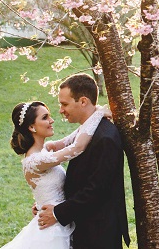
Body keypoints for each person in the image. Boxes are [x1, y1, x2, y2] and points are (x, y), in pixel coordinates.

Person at [37, 73, 130, 249]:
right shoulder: (88, 130)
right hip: (83, 226)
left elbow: (97, 190)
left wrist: (57, 213)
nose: (61, 110)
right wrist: (46, 206)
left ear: (83, 101)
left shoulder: (105, 138)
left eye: (65, 104)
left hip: (98, 233)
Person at [2, 100, 104, 249]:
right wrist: (99, 114)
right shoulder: (37, 160)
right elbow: (78, 146)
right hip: (52, 230)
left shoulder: (44, 150)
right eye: (45, 118)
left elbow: (72, 138)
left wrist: (94, 114)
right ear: (31, 127)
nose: (52, 120)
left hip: (60, 219)